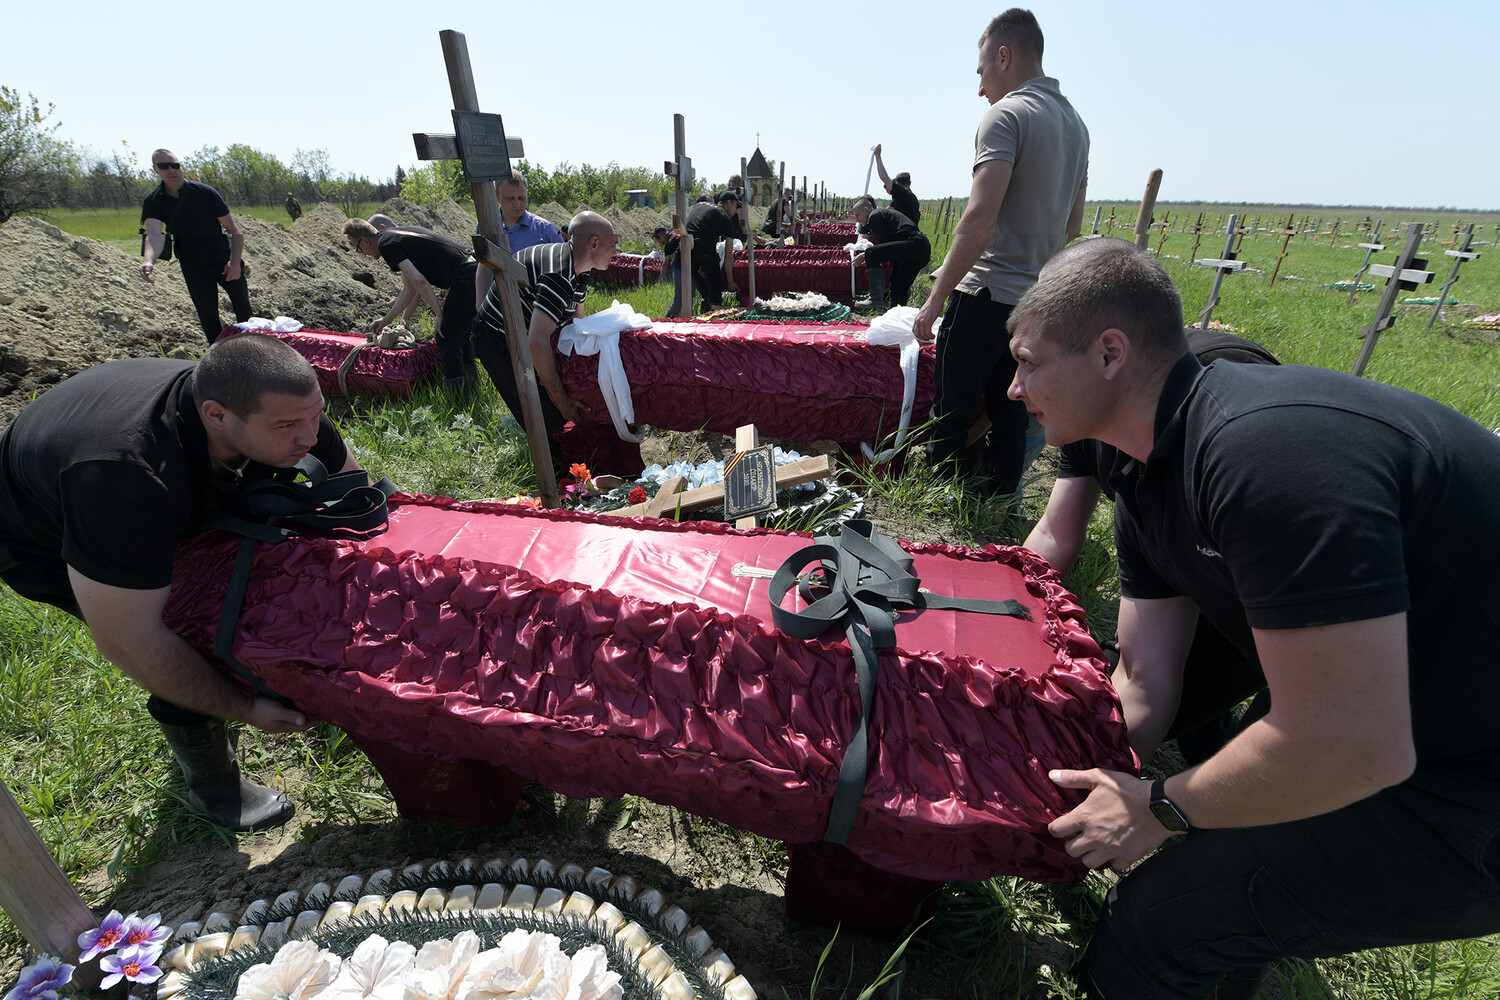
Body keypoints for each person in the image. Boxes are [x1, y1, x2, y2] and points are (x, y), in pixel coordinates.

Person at [1003, 242, 1500, 999]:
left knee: (1164, 920)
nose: (1012, 387)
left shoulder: (1266, 456)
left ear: (1110, 354)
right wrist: (1063, 785)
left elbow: (1351, 744)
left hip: (1466, 774)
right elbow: (1145, 677)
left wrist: (1159, 806)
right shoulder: (1146, 472)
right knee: (1222, 871)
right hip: (1395, 714)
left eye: (1028, 362)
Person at [0, 333, 365, 832]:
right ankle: (214, 785)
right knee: (188, 624)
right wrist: (246, 707)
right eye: (287, 426)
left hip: (151, 470)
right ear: (215, 415)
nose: (308, 436)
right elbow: (132, 640)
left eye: (314, 415)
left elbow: (351, 495)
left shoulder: (282, 410)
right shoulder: (127, 479)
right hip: (40, 531)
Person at [911, 9, 1088, 497]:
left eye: (983, 70)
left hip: (985, 294)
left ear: (1004, 56)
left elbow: (978, 218)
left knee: (951, 410)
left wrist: (936, 299)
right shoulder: (1076, 127)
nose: (981, 86)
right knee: (1013, 414)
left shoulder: (1007, 115)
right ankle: (1002, 506)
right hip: (1034, 305)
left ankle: (938, 511)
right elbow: (1071, 226)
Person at [471, 211, 617, 453]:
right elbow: (537, 343)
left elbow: (575, 323)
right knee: (543, 414)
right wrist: (561, 398)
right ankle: (560, 479)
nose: (616, 251)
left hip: (525, 333)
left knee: (552, 402)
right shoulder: (559, 274)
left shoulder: (581, 269)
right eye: (613, 245)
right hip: (496, 337)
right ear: (594, 243)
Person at [344, 217, 478, 397]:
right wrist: (385, 321)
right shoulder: (391, 236)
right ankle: (472, 387)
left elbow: (420, 281)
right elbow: (409, 289)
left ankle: (460, 400)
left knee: (446, 339)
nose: (363, 253)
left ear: (365, 240)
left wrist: (439, 315)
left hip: (465, 277)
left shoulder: (386, 245)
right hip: (472, 269)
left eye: (359, 249)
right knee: (457, 334)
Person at [139, 149, 254, 345]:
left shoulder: (205, 193)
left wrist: (234, 263)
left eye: (175, 165)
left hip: (222, 259)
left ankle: (253, 347)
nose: (171, 170)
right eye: (164, 166)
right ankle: (219, 355)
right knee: (207, 314)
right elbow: (155, 235)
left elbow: (235, 232)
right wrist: (148, 260)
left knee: (244, 309)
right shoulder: (154, 200)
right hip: (193, 265)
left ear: (181, 167)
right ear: (154, 170)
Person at [475, 172, 566, 311]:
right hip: (498, 303)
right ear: (497, 197)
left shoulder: (545, 230)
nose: (517, 204)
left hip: (536, 306)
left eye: (521, 198)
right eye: (510, 198)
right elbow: (484, 269)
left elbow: (563, 269)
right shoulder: (486, 228)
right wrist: (481, 307)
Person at [851, 195, 931, 309]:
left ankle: (875, 299)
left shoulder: (875, 215)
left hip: (913, 244)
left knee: (870, 253)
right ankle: (897, 312)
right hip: (921, 247)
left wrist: (864, 255)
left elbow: (883, 245)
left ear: (866, 210)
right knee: (899, 285)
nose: (857, 220)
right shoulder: (881, 215)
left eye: (858, 215)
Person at [683, 191, 742, 313]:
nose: (736, 211)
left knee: (697, 289)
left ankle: (698, 312)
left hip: (684, 249)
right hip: (703, 249)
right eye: (736, 206)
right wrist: (730, 282)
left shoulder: (701, 206)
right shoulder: (726, 219)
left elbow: (696, 229)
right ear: (729, 203)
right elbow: (728, 256)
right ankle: (714, 318)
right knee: (716, 286)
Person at [872, 144, 920, 225]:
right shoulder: (912, 197)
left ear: (897, 184)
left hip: (906, 235)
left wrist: (877, 156)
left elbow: (883, 177)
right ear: (910, 183)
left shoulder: (903, 194)